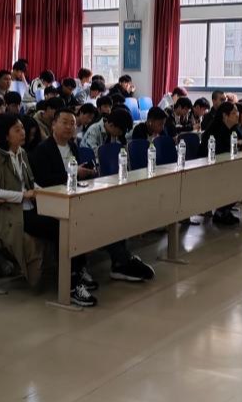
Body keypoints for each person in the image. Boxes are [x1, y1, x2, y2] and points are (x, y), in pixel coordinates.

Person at [30, 109, 155, 285]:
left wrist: (84, 172)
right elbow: (44, 181)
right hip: (54, 202)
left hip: (74, 196)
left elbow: (72, 176)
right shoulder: (42, 150)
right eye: (64, 122)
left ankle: (120, 261)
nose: (69, 127)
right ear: (53, 125)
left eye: (72, 124)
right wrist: (73, 173)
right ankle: (79, 270)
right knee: (83, 219)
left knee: (110, 211)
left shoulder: (73, 146)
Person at [0, 113, 49, 296]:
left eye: (22, 128)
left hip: (28, 207)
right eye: (17, 130)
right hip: (8, 212)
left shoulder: (21, 152)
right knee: (51, 225)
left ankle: (64, 271)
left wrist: (44, 191)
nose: (23, 133)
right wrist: (22, 196)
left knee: (58, 220)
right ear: (5, 135)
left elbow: (29, 182)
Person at [198, 102, 242, 226]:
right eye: (233, 113)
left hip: (223, 166)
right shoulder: (215, 130)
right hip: (208, 167)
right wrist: (237, 144)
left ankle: (223, 211)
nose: (237, 115)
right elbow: (219, 151)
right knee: (235, 178)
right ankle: (221, 211)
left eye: (237, 112)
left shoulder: (233, 128)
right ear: (225, 116)